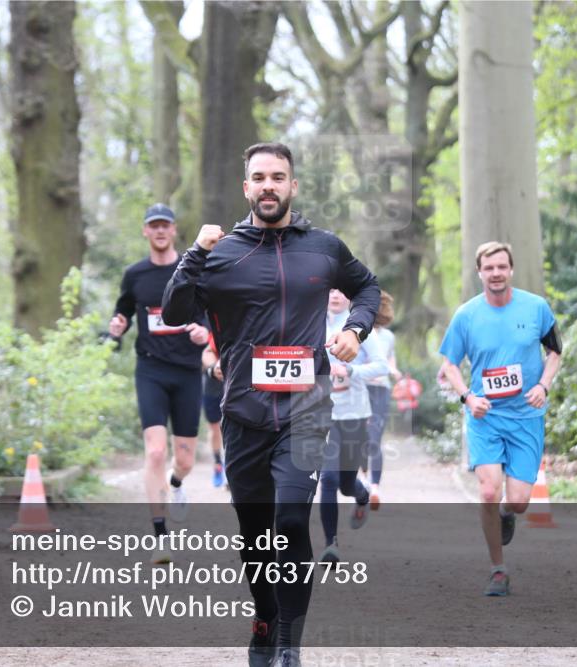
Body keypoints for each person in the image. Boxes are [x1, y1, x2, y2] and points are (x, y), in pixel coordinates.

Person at [162, 142, 380, 667]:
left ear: (292, 186)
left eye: (277, 177)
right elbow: (174, 309)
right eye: (258, 177)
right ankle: (264, 618)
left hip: (306, 409)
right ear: (246, 188)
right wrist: (194, 252)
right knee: (256, 537)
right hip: (242, 412)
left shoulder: (324, 248)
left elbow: (367, 287)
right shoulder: (221, 253)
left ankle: (288, 643)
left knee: (288, 523)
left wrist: (355, 328)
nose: (268, 186)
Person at [438, 241, 561, 597]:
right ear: (480, 273)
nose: (495, 273)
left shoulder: (536, 308)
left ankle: (508, 513)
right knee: (489, 489)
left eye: (501, 267)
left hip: (526, 416)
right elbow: (449, 364)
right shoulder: (466, 315)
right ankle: (498, 570)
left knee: (519, 501)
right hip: (485, 417)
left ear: (510, 270)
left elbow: (555, 352)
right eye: (489, 268)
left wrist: (543, 385)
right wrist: (468, 396)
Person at [108, 203, 210, 563]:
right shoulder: (135, 274)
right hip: (150, 369)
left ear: (174, 230)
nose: (161, 231)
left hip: (186, 371)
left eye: (166, 225)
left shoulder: (191, 270)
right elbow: (121, 314)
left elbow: (207, 315)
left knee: (183, 459)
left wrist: (204, 331)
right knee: (154, 451)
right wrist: (115, 329)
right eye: (154, 226)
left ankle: (177, 483)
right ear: (146, 232)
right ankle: (160, 537)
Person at [319, 289, 388, 563]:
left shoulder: (358, 326)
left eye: (341, 291)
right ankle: (330, 544)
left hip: (354, 414)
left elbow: (382, 366)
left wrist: (351, 371)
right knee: (329, 478)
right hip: (321, 414)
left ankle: (361, 495)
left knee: (346, 484)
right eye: (330, 290)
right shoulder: (312, 320)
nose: (335, 295)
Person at [362, 291, 401, 509]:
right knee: (360, 439)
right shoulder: (357, 332)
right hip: (360, 389)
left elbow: (390, 360)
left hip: (380, 391)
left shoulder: (388, 337)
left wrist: (395, 372)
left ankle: (374, 486)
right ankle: (362, 479)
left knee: (375, 438)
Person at [201, 333, 226, 487]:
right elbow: (206, 352)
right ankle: (218, 464)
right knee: (215, 428)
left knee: (231, 426)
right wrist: (212, 367)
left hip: (235, 383)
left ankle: (231, 466)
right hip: (212, 385)